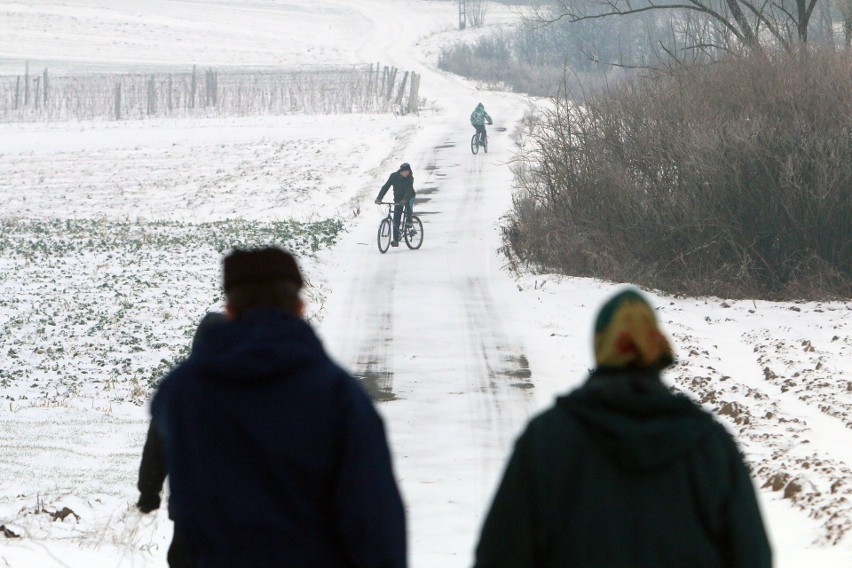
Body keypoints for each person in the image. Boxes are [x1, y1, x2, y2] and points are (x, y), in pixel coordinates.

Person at [472, 287, 772, 568]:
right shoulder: (708, 443)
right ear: (654, 345)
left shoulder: (546, 439)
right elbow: (752, 554)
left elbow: (500, 552)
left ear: (601, 344)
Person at [150, 247, 407, 567]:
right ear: (300, 308)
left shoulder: (180, 393)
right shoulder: (339, 395)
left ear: (229, 310)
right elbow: (374, 524)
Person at [136, 311, 226, 568]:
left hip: (191, 509)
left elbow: (156, 448)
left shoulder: (180, 391)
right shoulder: (249, 388)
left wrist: (148, 492)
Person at [375, 162, 416, 247]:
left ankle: (409, 221)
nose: (406, 173)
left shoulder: (410, 178)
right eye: (404, 171)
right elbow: (385, 187)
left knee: (408, 207)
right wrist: (379, 198)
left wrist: (405, 200)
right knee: (396, 218)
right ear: (400, 171)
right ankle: (395, 240)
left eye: (408, 171)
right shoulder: (394, 176)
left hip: (409, 197)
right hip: (398, 199)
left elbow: (409, 191)